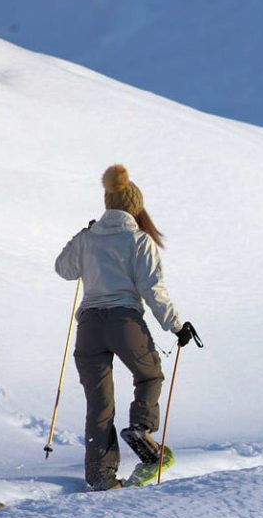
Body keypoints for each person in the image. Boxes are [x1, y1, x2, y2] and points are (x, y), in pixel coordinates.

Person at [55, 164, 192, 490]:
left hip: (89, 325)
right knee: (149, 374)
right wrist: (176, 326)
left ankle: (102, 477)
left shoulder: (88, 238)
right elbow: (152, 290)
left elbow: (63, 269)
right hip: (124, 320)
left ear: (107, 202)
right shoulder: (138, 240)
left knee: (99, 404)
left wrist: (81, 236)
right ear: (135, 206)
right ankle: (141, 429)